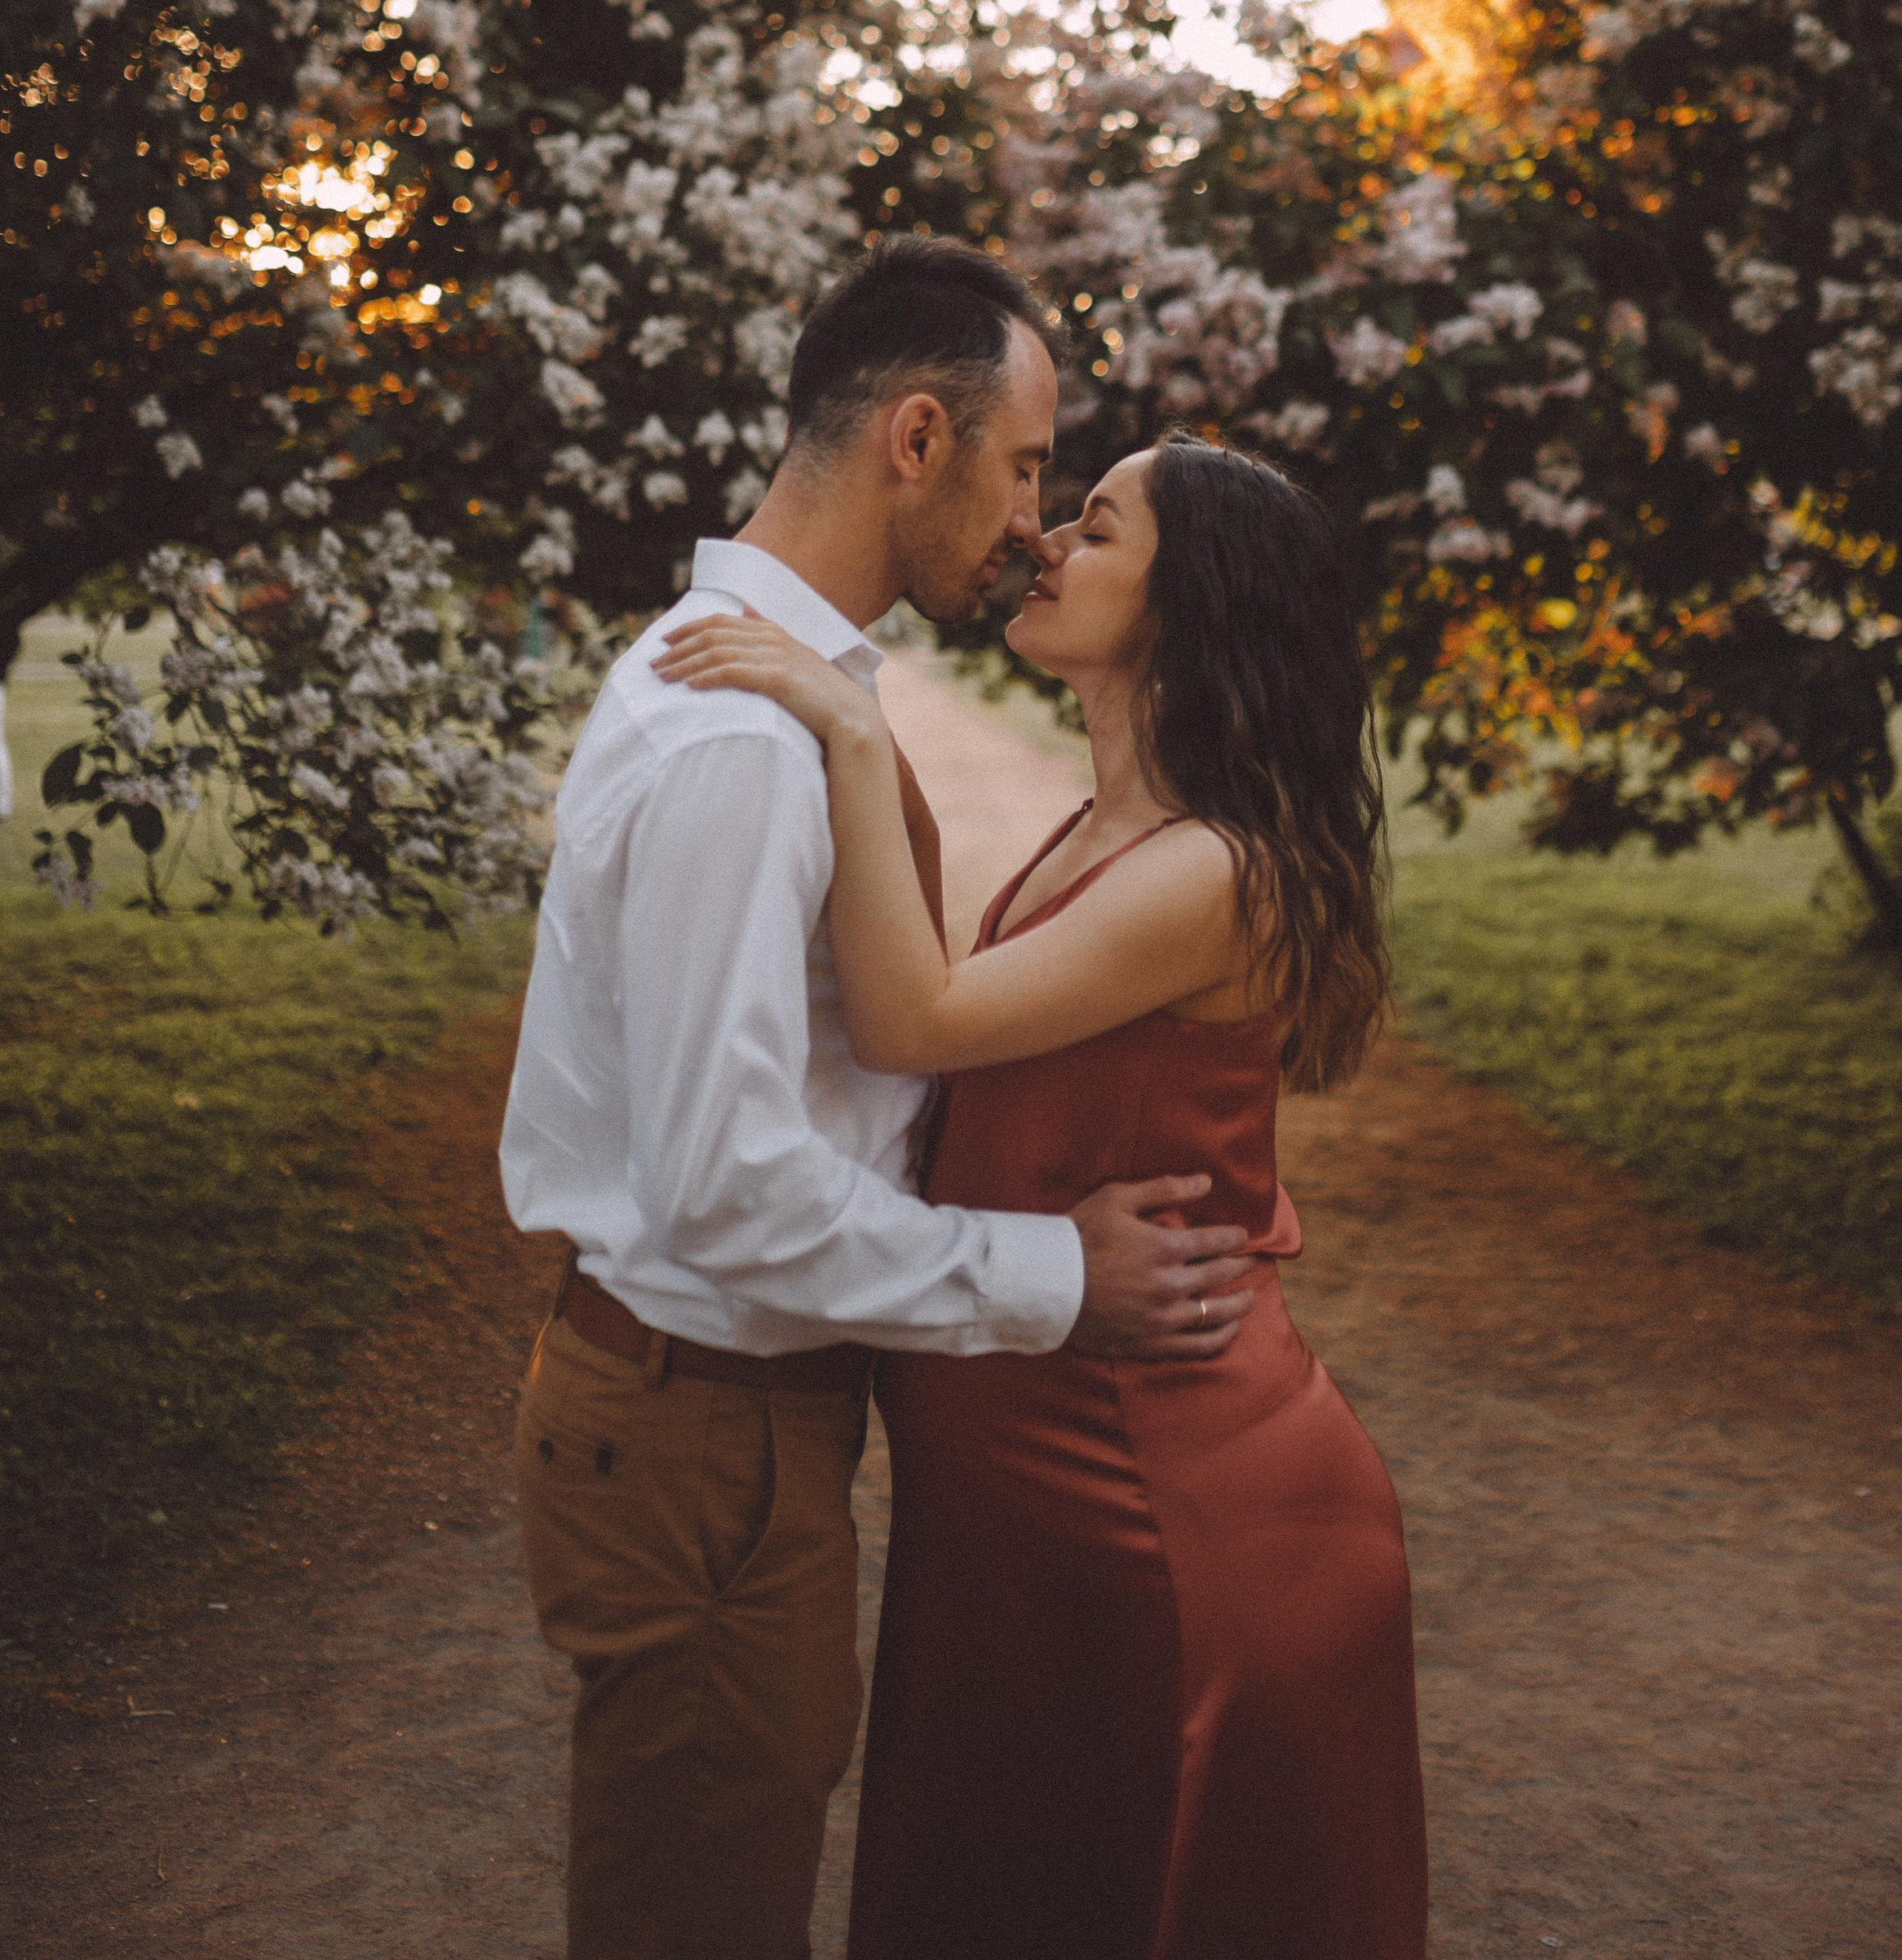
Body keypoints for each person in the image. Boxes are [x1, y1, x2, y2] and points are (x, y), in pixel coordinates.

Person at [500, 243, 1255, 1960]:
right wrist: (1056, 1277)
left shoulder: (778, 689)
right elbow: (728, 1187)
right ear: (918, 438)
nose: (1032, 524)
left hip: (724, 1418)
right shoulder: (742, 739)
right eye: (1026, 467)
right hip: (703, 1430)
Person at [655, 429, 1429, 1960]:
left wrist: (854, 728)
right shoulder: (1106, 829)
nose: (1042, 542)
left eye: (1098, 526)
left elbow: (915, 1020)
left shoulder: (1216, 870)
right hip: (1028, 1491)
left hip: (1164, 1500)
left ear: (1191, 602)